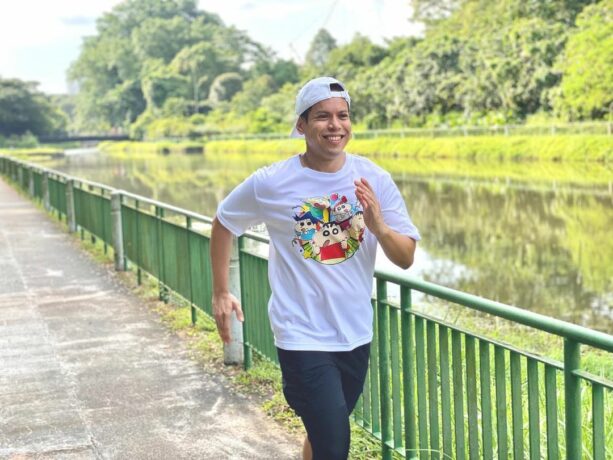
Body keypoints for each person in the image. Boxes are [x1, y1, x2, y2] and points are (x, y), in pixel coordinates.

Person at [210, 76, 420, 460]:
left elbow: (405, 257)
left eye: (343, 115)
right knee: (334, 444)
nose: (335, 125)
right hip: (301, 333)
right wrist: (222, 291)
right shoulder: (271, 182)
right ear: (301, 125)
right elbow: (224, 222)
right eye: (322, 116)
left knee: (325, 433)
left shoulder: (373, 178)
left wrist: (379, 227)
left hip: (355, 332)